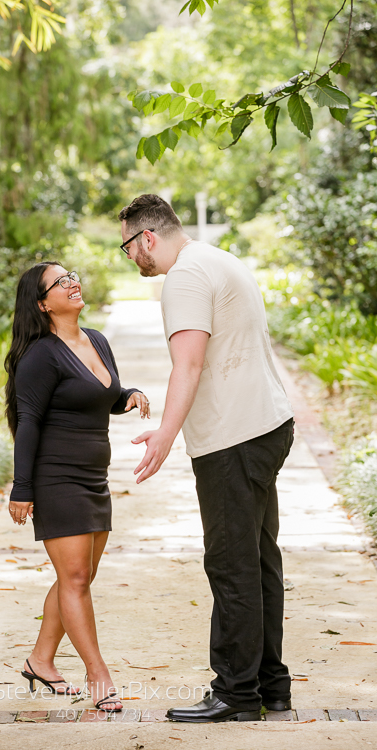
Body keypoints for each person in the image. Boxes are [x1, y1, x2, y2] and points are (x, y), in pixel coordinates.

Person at [118, 194, 295, 723]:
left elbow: (188, 365)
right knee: (259, 560)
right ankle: (271, 685)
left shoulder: (185, 278)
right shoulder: (217, 258)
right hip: (265, 425)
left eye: (128, 246)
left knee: (230, 564)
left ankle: (236, 694)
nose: (130, 257)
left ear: (147, 237)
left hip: (232, 439)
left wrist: (164, 436)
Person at [5, 261, 150, 713]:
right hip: (56, 478)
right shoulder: (39, 356)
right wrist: (22, 488)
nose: (73, 283)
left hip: (94, 478)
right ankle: (98, 676)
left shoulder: (97, 340)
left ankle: (41, 661)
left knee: (78, 577)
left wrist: (130, 396)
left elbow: (104, 396)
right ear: (42, 303)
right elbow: (28, 422)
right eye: (60, 281)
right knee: (75, 579)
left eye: (73, 276)